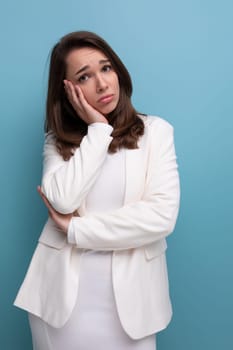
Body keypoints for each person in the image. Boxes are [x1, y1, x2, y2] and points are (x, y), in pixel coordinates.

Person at [14, 31, 180, 350]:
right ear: (67, 90)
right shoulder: (57, 141)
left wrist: (78, 229)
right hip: (62, 305)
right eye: (84, 76)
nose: (102, 84)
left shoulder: (156, 133)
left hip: (134, 306)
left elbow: (161, 218)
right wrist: (99, 130)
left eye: (106, 68)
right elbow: (62, 199)